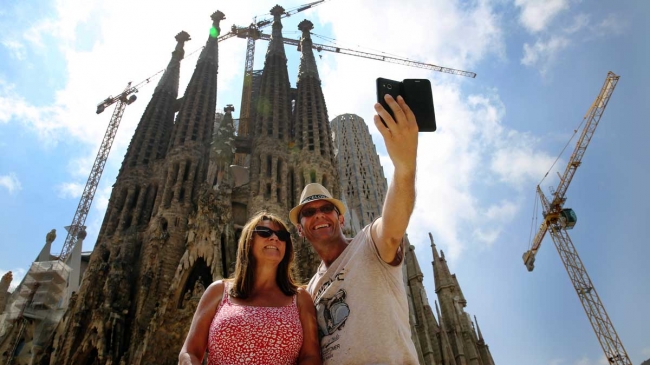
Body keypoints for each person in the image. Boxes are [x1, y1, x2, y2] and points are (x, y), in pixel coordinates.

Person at [289, 94, 420, 364]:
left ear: (342, 219)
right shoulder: (311, 289)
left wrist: (404, 168)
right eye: (310, 213)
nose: (320, 216)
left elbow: (394, 227)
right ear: (300, 230)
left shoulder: (369, 244)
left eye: (327, 209)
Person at [179, 211, 321, 365]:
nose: (274, 238)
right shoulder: (219, 291)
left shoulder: (300, 298)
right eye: (264, 232)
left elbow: (311, 356)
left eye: (282, 235)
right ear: (248, 241)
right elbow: (189, 352)